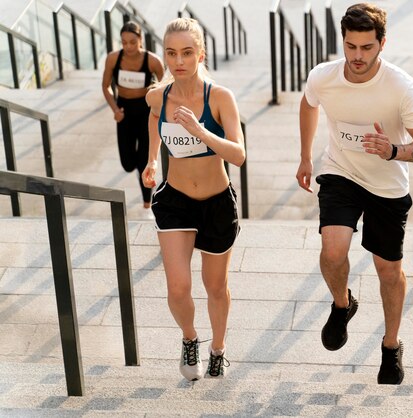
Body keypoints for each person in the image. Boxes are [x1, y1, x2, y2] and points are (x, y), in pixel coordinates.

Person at [296, 3, 413, 385]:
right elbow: (308, 104)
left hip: (387, 185)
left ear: (382, 44)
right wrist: (306, 156)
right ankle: (342, 304)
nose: (357, 56)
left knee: (387, 270)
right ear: (342, 41)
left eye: (367, 48)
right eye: (350, 46)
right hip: (340, 173)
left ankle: (391, 346)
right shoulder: (323, 77)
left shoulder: (402, 87)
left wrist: (393, 150)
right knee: (332, 250)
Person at [142, 17, 245, 381]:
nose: (179, 61)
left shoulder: (219, 97)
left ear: (201, 54)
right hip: (175, 200)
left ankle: (218, 348)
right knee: (178, 287)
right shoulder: (159, 95)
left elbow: (238, 154)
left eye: (187, 52)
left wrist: (199, 130)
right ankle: (190, 339)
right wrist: (153, 159)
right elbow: (154, 118)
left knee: (215, 287)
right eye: (171, 53)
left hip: (217, 203)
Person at [102, 21, 165, 208]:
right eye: (124, 42)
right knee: (128, 163)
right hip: (123, 112)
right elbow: (105, 86)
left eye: (132, 42)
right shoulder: (113, 59)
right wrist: (115, 109)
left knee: (143, 160)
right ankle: (139, 170)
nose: (128, 46)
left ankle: (148, 201)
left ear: (140, 41)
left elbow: (166, 86)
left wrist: (158, 108)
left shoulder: (152, 61)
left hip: (146, 111)